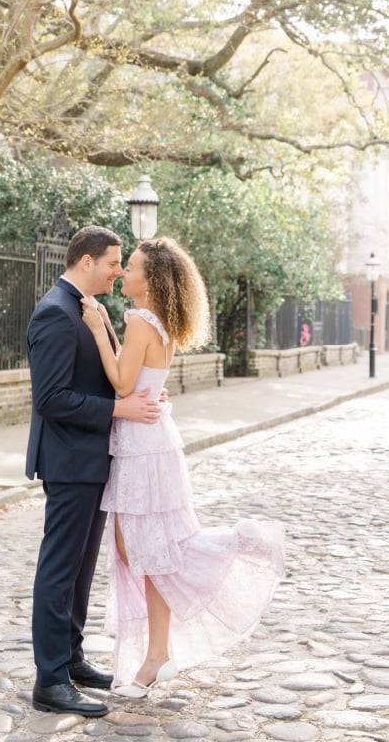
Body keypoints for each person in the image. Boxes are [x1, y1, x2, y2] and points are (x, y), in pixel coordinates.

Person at [81, 236, 286, 696]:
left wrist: (98, 331)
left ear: (150, 281)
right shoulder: (157, 320)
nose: (124, 274)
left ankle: (234, 546)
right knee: (143, 552)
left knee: (149, 551)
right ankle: (159, 653)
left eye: (130, 268)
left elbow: (120, 381)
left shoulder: (138, 320)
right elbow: (139, 381)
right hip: (150, 441)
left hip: (143, 447)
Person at [25, 225, 162, 718]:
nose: (119, 271)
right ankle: (49, 680)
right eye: (112, 262)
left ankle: (73, 660)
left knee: (81, 571)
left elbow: (109, 377)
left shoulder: (87, 311)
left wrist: (135, 398)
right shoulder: (55, 314)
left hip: (96, 459)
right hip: (70, 461)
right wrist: (117, 413)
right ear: (87, 261)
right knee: (59, 570)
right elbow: (50, 399)